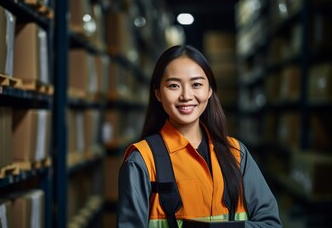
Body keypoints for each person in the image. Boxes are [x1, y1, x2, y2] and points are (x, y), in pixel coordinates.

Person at [117, 44, 282, 228]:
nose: (186, 96)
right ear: (158, 93)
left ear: (210, 90)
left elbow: (270, 224)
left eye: (196, 84)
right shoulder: (142, 161)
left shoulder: (236, 154)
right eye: (174, 85)